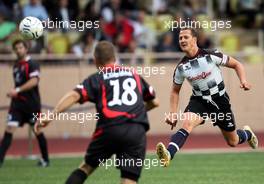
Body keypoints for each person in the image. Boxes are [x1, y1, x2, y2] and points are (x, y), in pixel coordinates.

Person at [35, 41, 159, 184]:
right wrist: (134, 110)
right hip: (136, 130)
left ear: (95, 60)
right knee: (129, 179)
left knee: (86, 168)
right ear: (114, 57)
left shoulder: (97, 78)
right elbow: (155, 102)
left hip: (110, 129)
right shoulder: (134, 75)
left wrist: (51, 116)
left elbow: (74, 95)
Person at [156, 28, 258, 167]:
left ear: (194, 40)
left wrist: (243, 81)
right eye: (180, 38)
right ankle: (168, 154)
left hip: (220, 100)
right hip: (199, 101)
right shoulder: (181, 67)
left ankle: (247, 134)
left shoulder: (211, 55)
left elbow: (236, 64)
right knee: (187, 123)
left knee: (232, 141)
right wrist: (173, 114)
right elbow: (175, 91)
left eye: (186, 37)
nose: (182, 40)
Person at [0, 39, 49, 167]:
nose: (18, 50)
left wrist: (17, 90)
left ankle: (45, 159)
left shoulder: (32, 63)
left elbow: (34, 81)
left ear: (26, 49)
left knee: (37, 130)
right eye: (16, 48)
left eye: (20, 47)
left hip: (31, 105)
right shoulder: (16, 65)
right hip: (17, 105)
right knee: (9, 128)